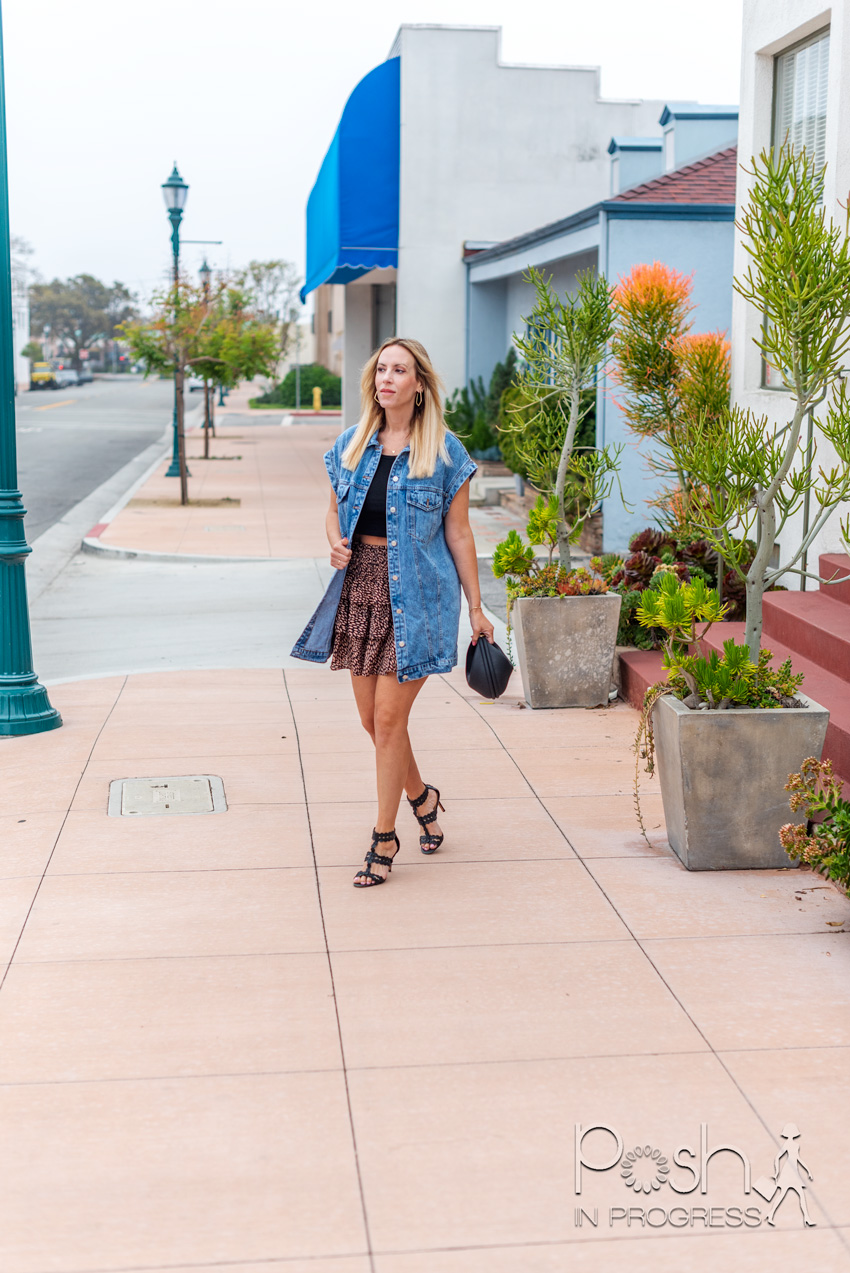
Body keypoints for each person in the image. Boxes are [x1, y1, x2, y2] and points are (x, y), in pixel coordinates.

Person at [292, 336, 494, 887]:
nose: (387, 378)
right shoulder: (352, 443)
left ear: (419, 384)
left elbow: (459, 534)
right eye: (381, 369)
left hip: (419, 598)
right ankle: (422, 797)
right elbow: (333, 511)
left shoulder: (445, 453)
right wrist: (334, 542)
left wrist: (477, 608)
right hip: (361, 590)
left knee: (387, 720)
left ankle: (384, 838)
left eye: (399, 370)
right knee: (373, 722)